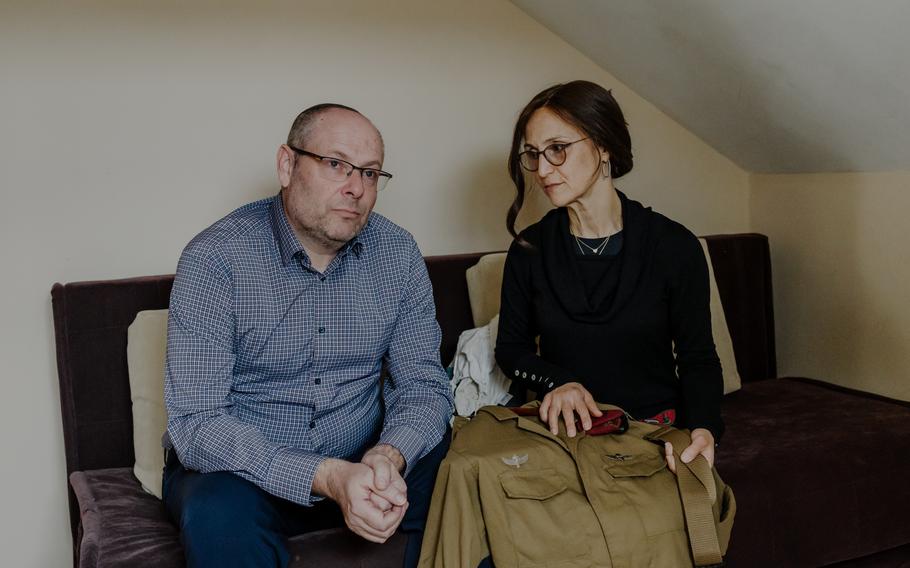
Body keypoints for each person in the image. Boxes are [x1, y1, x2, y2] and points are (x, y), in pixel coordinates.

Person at [162, 103, 454, 568]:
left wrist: (389, 455)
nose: (355, 188)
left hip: (365, 458)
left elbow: (423, 385)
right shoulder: (215, 259)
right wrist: (326, 477)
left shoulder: (398, 254)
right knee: (215, 512)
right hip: (247, 472)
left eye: (371, 173)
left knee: (463, 480)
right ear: (286, 164)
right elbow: (197, 423)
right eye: (335, 164)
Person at [494, 80, 723, 473]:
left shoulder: (674, 246)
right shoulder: (529, 251)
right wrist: (558, 382)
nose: (543, 169)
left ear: (603, 147)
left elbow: (698, 358)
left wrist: (703, 428)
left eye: (558, 150)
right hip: (565, 434)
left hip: (652, 432)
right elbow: (511, 350)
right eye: (533, 154)